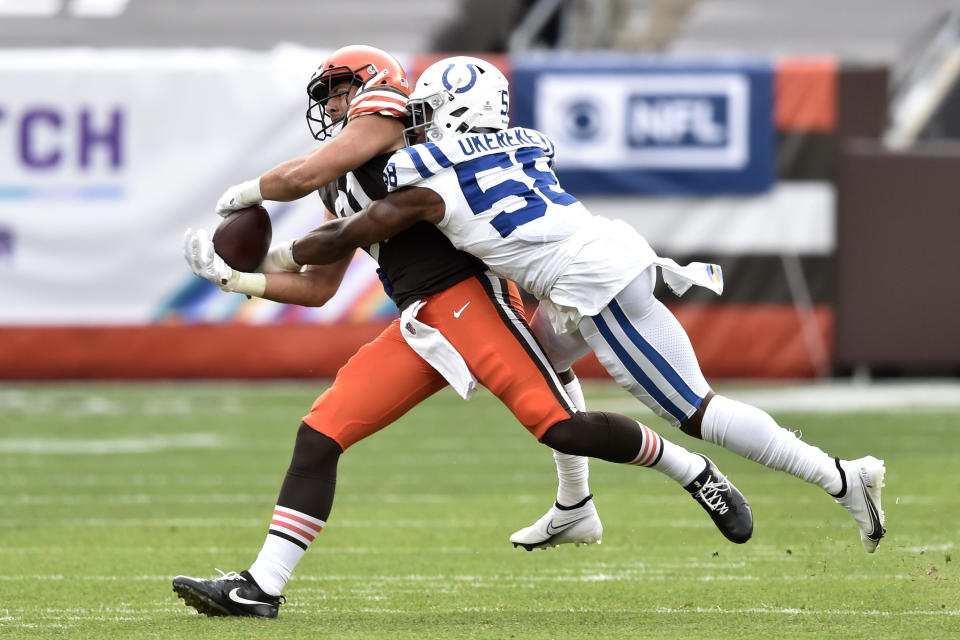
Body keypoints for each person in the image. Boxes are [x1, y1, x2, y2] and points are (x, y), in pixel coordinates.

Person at [175, 46, 752, 620]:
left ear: (376, 86)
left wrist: (246, 194)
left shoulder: (388, 121)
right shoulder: (340, 180)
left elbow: (303, 174)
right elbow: (319, 285)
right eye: (326, 93)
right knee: (320, 436)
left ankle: (693, 470)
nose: (331, 103)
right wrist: (235, 280)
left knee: (560, 428)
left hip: (472, 301)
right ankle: (261, 588)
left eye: (338, 88)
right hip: (418, 321)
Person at [277, 56, 886, 556]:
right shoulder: (524, 144)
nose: (417, 124)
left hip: (592, 284)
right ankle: (575, 504)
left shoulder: (422, 170)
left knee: (697, 412)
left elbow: (354, 224)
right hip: (595, 267)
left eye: (425, 114)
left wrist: (271, 246)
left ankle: (839, 476)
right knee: (542, 370)